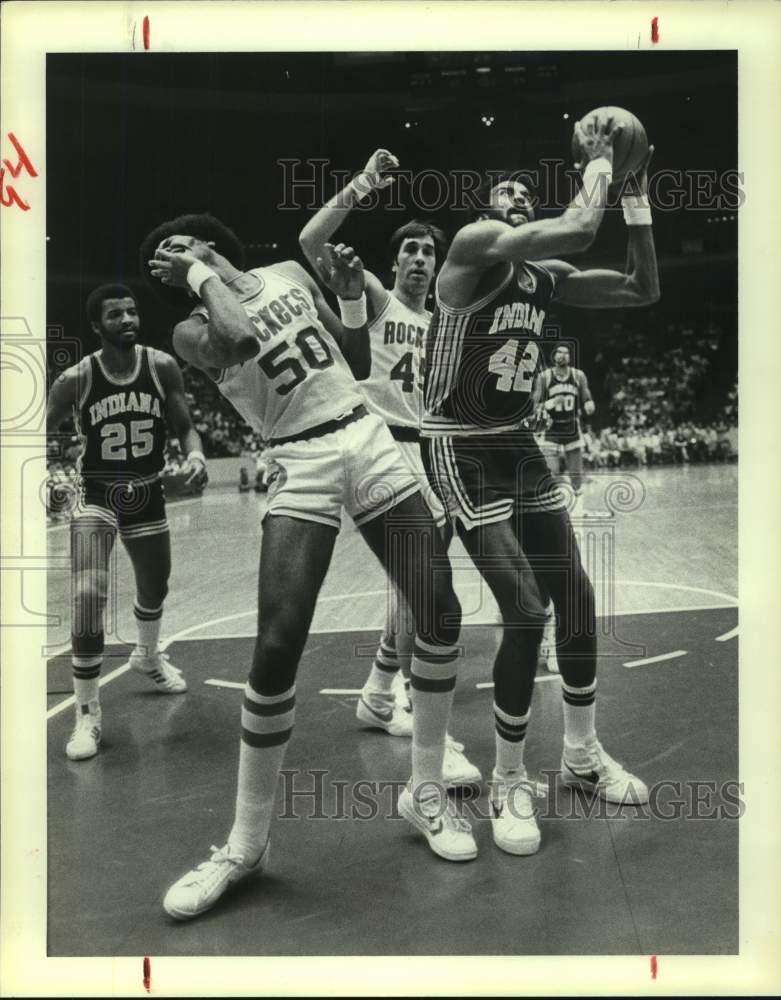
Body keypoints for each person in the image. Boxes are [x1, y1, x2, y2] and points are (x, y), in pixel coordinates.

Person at [140, 213, 472, 920]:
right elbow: (241, 337)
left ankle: (425, 791)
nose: (164, 263)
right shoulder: (190, 331)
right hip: (299, 456)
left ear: (206, 240)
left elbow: (353, 360)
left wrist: (351, 296)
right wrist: (200, 271)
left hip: (364, 430)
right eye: (163, 262)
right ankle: (246, 844)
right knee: (277, 643)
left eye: (173, 249)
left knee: (439, 607)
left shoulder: (289, 274)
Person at [421, 116, 659, 856]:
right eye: (504, 194)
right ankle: (509, 778)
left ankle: (582, 756)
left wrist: (638, 192)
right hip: (458, 444)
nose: (515, 199)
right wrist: (601, 163)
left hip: (517, 443)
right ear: (490, 211)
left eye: (526, 192)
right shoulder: (471, 247)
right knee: (524, 610)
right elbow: (580, 230)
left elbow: (640, 289)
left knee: (576, 594)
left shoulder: (543, 278)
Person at [298, 148, 479, 787]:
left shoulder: (444, 321)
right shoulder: (373, 298)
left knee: (411, 586)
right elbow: (311, 238)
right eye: (410, 252)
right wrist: (366, 181)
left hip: (431, 449)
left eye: (429, 253)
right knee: (423, 584)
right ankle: (410, 702)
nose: (420, 261)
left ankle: (379, 693)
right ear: (395, 260)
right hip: (380, 442)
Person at [46, 284, 209, 761]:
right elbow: (41, 429)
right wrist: (50, 470)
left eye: (132, 311)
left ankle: (147, 655)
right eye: (115, 314)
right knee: (87, 594)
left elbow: (185, 427)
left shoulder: (160, 366)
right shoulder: (76, 378)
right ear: (97, 326)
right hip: (96, 494)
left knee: (155, 587)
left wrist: (196, 455)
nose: (127, 319)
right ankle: (87, 712)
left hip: (148, 492)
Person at [532, 343, 595, 517]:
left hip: (572, 427)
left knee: (576, 474)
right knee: (550, 472)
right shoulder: (544, 377)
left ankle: (580, 510)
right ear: (553, 357)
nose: (563, 355)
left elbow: (586, 396)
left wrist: (589, 404)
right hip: (551, 428)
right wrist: (551, 403)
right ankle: (554, 510)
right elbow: (533, 405)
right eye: (559, 352)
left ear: (569, 357)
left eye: (566, 353)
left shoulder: (578, 375)